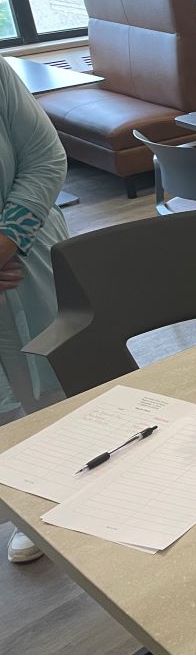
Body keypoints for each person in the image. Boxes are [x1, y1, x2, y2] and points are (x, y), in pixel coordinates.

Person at [0, 57, 68, 564]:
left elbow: (45, 159)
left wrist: (4, 241)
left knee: (58, 382)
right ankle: (26, 505)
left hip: (27, 256)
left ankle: (75, 488)